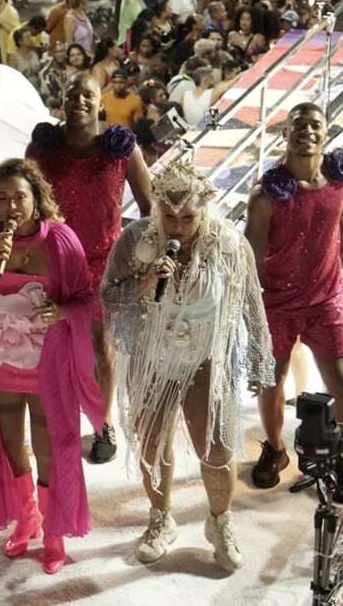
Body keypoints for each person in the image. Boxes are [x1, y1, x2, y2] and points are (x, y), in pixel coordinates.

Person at [101, 161, 274, 570]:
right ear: (157, 209)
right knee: (152, 444)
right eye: (169, 216)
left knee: (215, 448)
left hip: (205, 355)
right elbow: (108, 297)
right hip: (152, 354)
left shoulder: (230, 243)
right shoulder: (135, 239)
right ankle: (161, 520)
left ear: (205, 209)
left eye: (189, 217)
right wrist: (143, 284)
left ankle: (219, 523)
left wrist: (258, 359)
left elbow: (252, 301)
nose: (178, 226)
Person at [0, 158, 104, 574]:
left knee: (49, 441)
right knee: (8, 440)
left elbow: (87, 299)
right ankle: (26, 516)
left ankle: (53, 531)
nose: (12, 206)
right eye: (3, 199)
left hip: (47, 359)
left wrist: (62, 310)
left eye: (20, 197)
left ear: (37, 200)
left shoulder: (61, 240)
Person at [26, 72, 154, 464]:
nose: (78, 101)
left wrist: (144, 259)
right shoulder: (42, 148)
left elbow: (149, 208)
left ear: (100, 103)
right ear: (61, 102)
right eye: (71, 94)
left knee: (102, 346)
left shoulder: (121, 149)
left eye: (87, 95)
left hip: (105, 262)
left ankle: (104, 422)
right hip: (54, 260)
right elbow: (24, 200)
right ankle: (59, 418)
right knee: (53, 345)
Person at [244, 102, 343, 502]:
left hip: (326, 300)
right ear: (285, 134)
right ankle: (275, 449)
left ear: (326, 134)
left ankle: (334, 455)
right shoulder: (266, 196)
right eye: (298, 125)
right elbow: (251, 257)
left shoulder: (338, 181)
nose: (307, 132)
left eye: (315, 125)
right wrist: (251, 309)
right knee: (270, 382)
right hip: (277, 304)